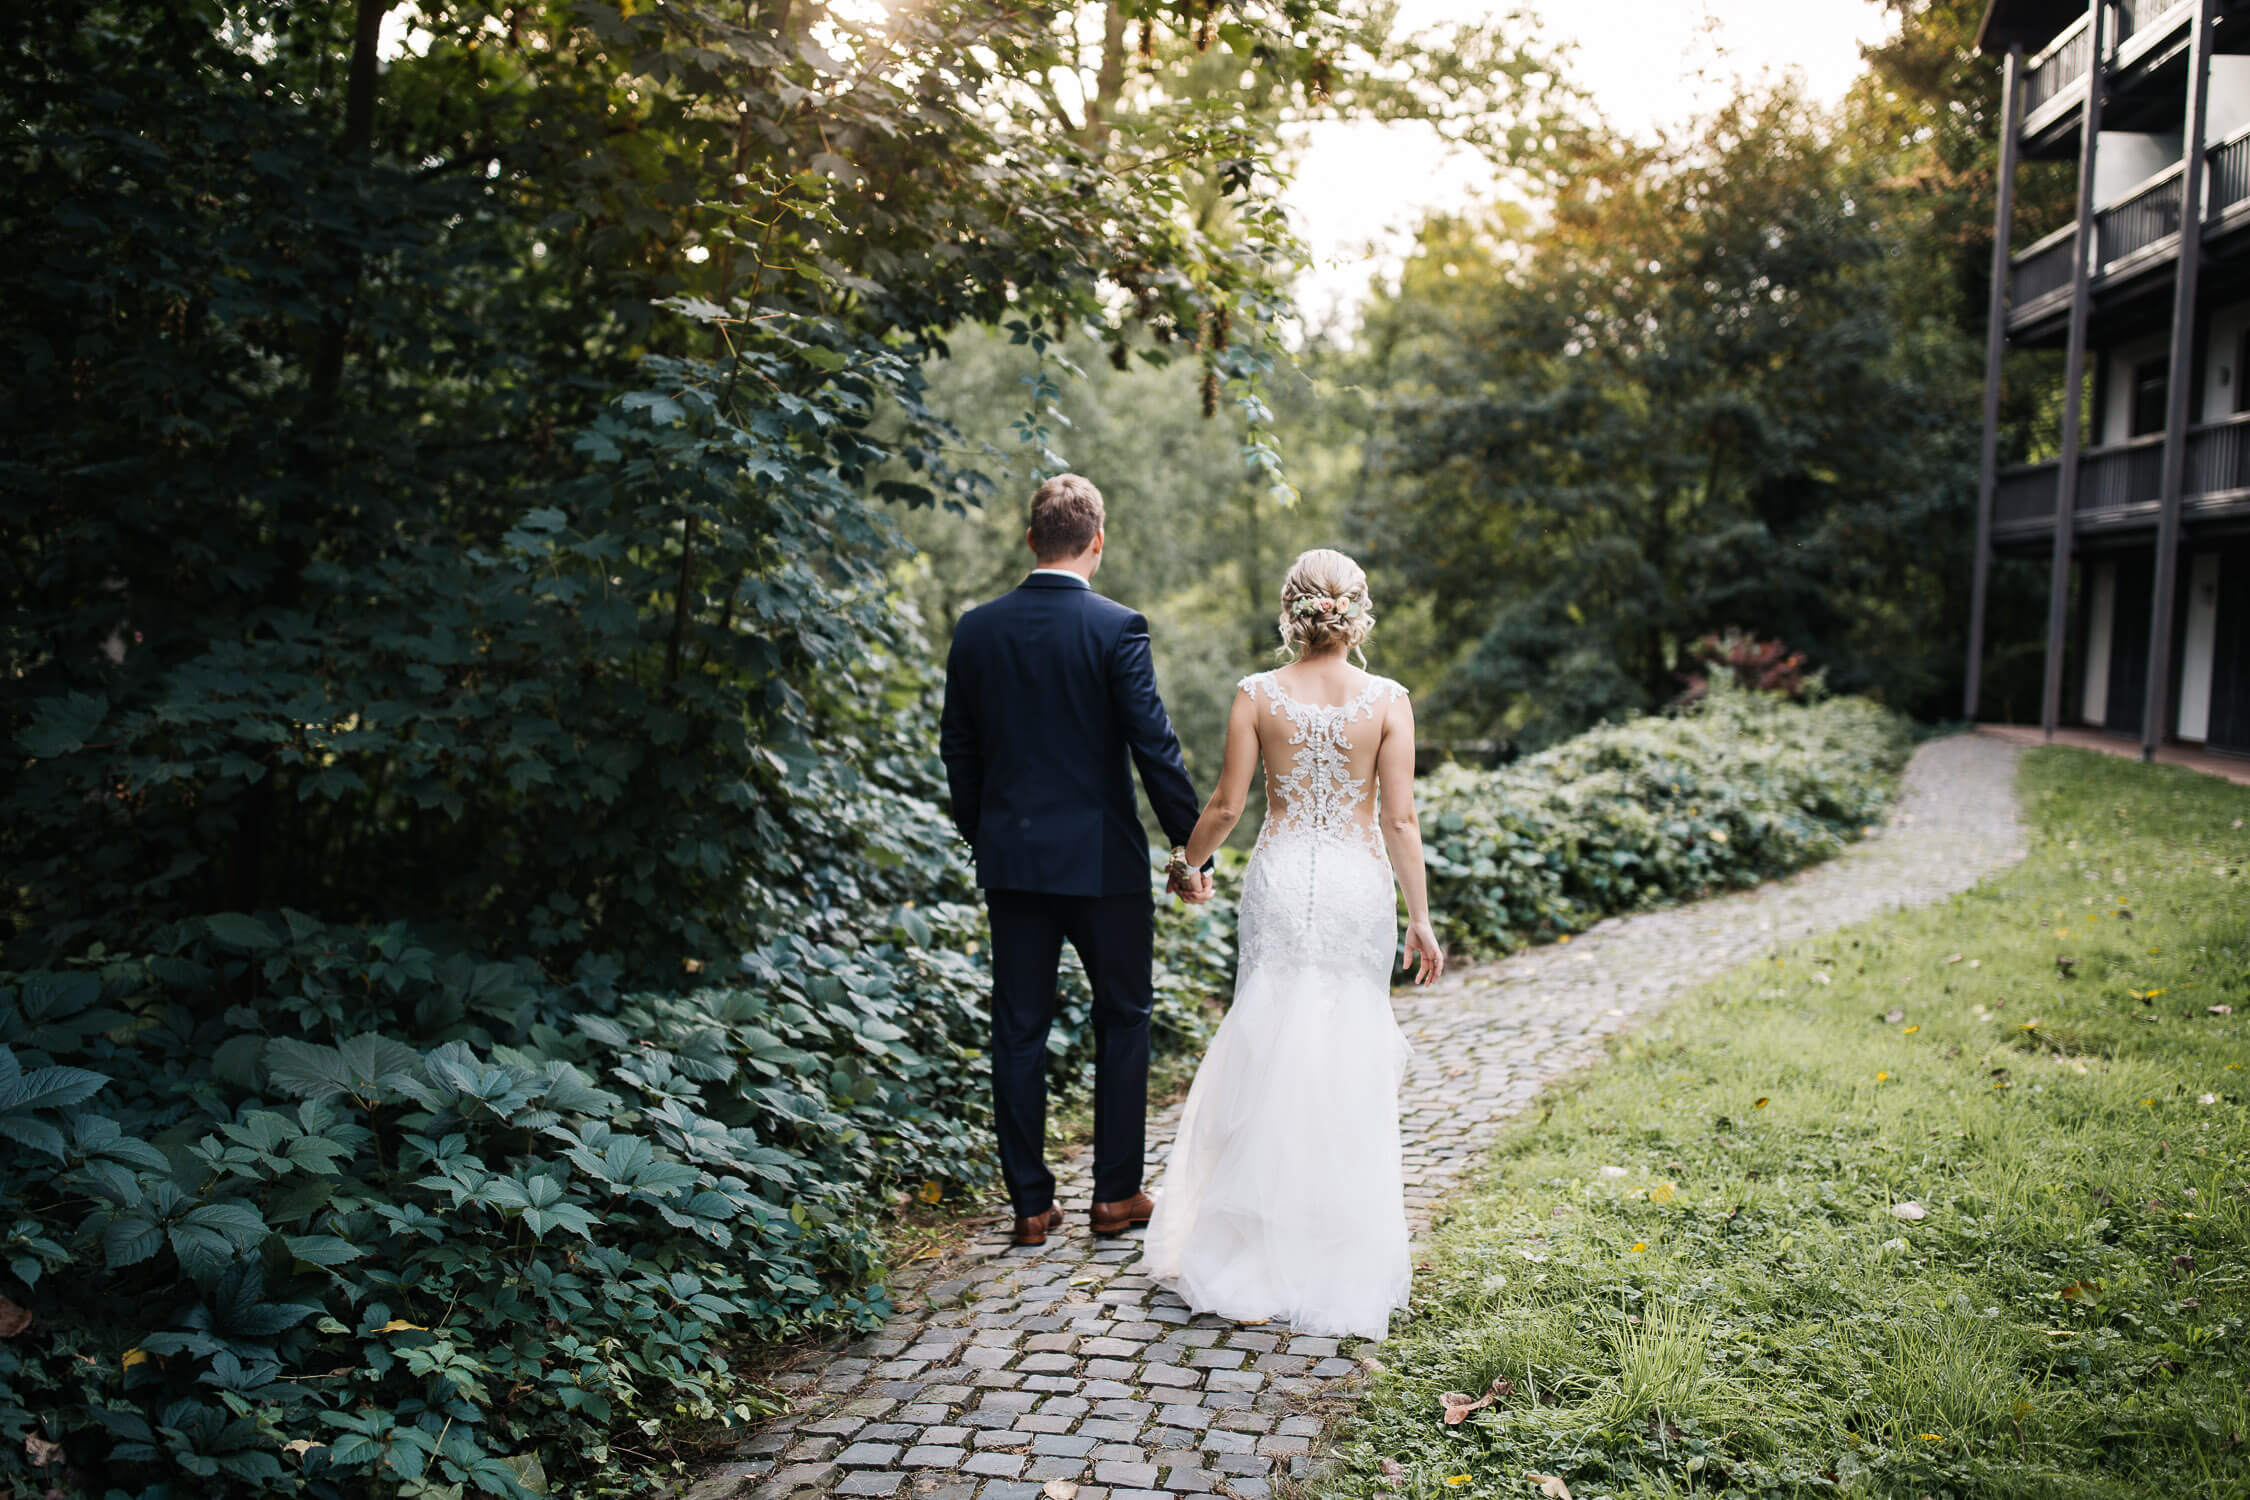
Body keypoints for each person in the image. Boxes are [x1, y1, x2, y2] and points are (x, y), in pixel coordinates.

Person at [1139, 547, 1443, 1339]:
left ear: (1292, 611)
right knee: (1343, 1044)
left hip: (1279, 881)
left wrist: (1187, 863)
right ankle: (1333, 1247)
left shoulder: (1256, 695)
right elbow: (1398, 819)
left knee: (1269, 1037)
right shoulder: (1387, 700)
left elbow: (1227, 803)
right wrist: (1420, 915)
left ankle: (1250, 1249)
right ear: (1357, 612)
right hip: (1355, 888)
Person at [939, 473, 1214, 1249]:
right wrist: (1195, 853)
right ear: (1098, 540)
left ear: (1032, 540)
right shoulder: (1116, 627)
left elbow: (956, 748)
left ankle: (1030, 1207)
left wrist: (984, 832)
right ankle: (1114, 1197)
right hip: (1103, 867)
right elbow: (1153, 747)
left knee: (1019, 1029)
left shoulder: (976, 630)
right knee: (1123, 1017)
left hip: (1013, 864)